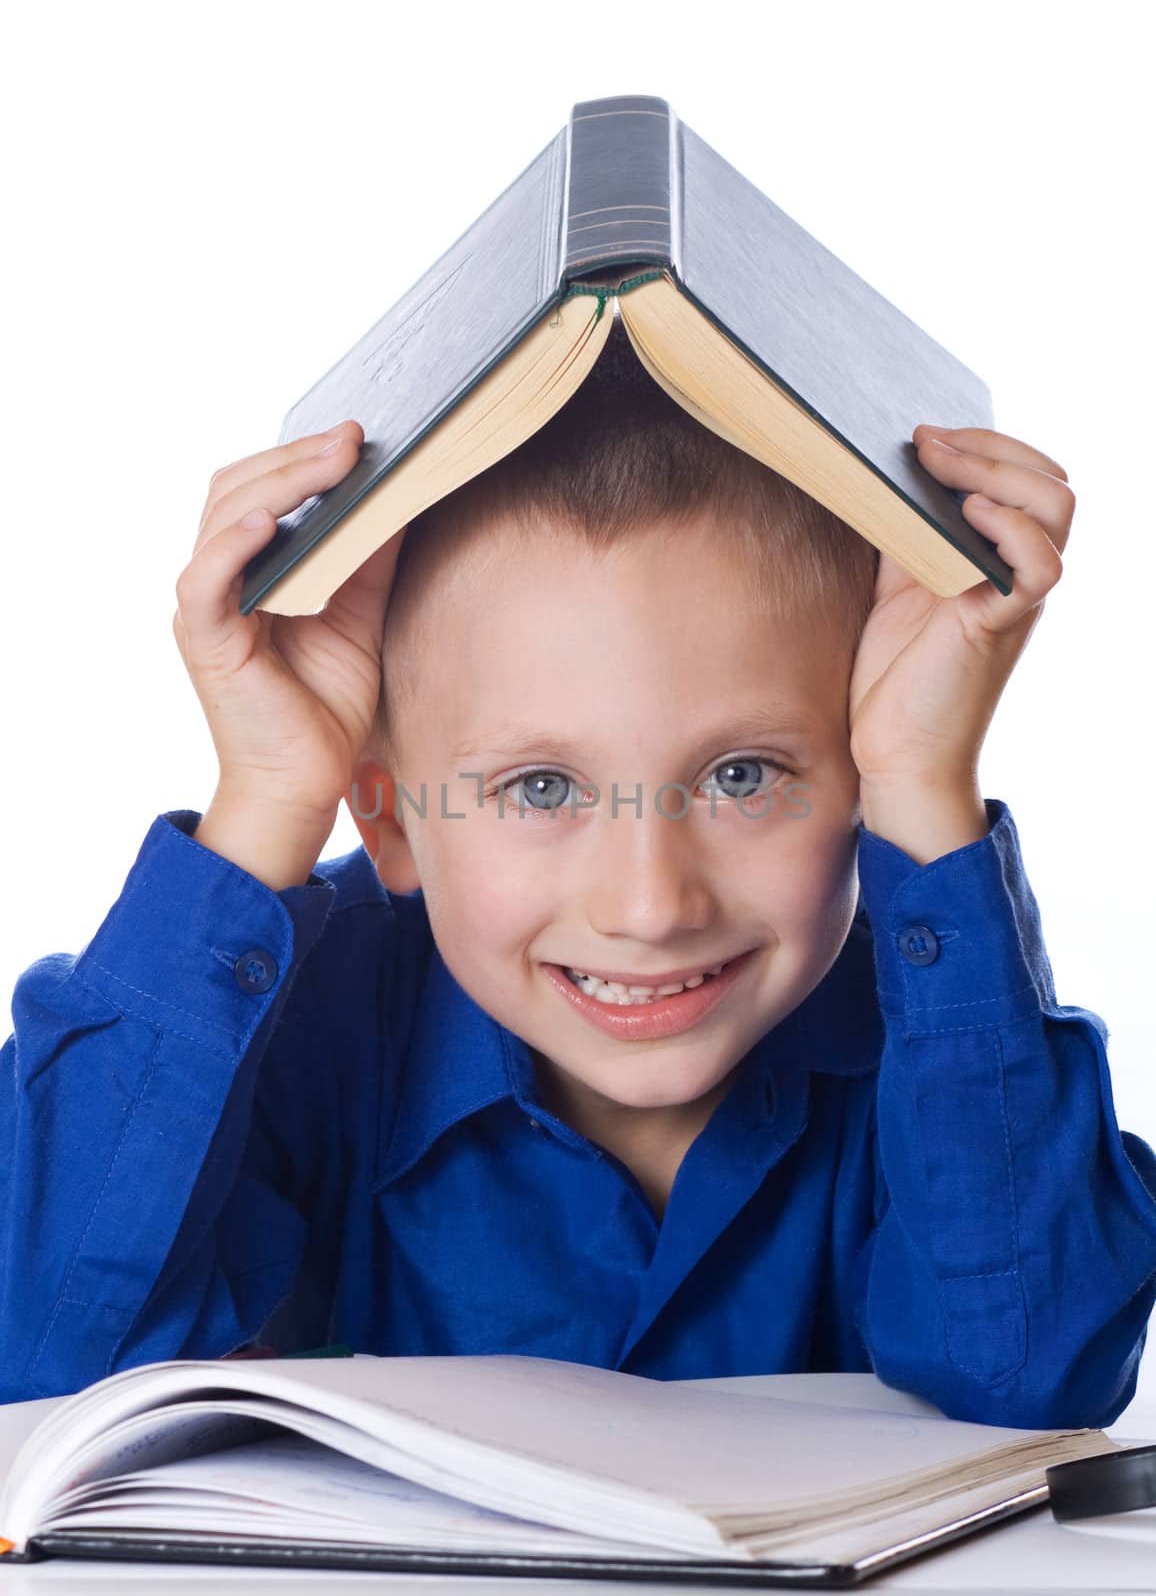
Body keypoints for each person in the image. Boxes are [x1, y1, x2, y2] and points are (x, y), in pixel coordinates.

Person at [3, 320, 1155, 1425]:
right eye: (542, 789)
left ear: (854, 773)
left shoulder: (936, 1041)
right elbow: (43, 1358)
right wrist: (263, 799)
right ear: (388, 815)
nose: (651, 906)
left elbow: (1027, 1380)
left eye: (744, 775)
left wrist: (923, 782)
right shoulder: (310, 1023)